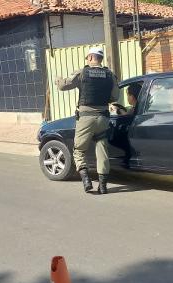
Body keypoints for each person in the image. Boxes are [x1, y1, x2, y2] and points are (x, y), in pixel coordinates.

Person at [56, 47, 119, 194]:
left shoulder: (82, 72)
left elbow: (63, 85)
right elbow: (115, 97)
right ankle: (103, 186)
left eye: (87, 58)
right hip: (103, 118)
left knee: (79, 150)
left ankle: (86, 180)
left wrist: (57, 79)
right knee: (102, 149)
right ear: (100, 59)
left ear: (90, 57)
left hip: (85, 119)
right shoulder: (110, 75)